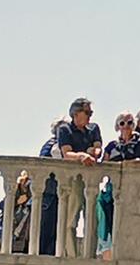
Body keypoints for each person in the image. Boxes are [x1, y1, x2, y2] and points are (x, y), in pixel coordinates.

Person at [41, 99, 102, 256]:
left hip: (91, 180)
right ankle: (72, 255)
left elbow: (98, 148)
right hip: (74, 180)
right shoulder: (65, 130)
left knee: (92, 220)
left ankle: (89, 254)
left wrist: (94, 152)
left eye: (91, 113)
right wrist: (82, 155)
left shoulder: (93, 128)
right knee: (70, 220)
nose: (90, 116)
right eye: (87, 112)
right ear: (76, 113)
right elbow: (66, 154)